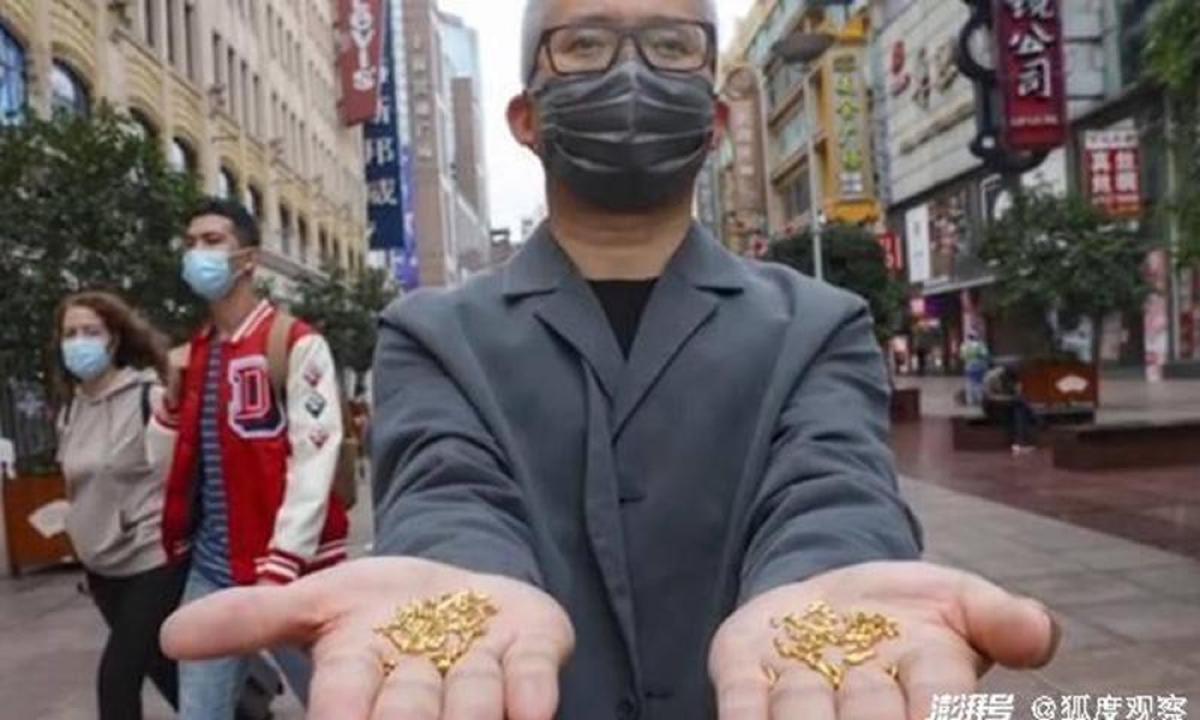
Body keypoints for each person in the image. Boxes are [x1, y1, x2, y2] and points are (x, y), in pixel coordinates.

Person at [162, 2, 1060, 718]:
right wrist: (462, 588)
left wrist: (828, 588)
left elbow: (835, 491)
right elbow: (446, 495)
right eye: (585, 45)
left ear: (714, 119)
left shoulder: (820, 323)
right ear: (525, 116)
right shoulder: (431, 333)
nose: (630, 74)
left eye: (671, 46)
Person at [154, 198, 348, 719]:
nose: (197, 253)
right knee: (199, 711)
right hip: (213, 568)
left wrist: (283, 561)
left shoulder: (296, 344)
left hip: (292, 571)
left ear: (248, 259)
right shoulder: (195, 353)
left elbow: (315, 455)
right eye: (190, 243)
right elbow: (169, 468)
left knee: (338, 701)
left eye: (212, 241)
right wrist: (170, 402)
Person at [51, 291, 186, 720]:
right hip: (103, 567)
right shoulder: (70, 411)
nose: (79, 342)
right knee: (166, 671)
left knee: (116, 678)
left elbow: (178, 470)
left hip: (151, 557)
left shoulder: (148, 397)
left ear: (114, 339)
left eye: (91, 331)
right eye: (70, 333)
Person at [983, 363, 1038, 455]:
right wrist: (1008, 399)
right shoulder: (990, 377)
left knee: (1019, 408)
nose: (1010, 382)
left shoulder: (1013, 377)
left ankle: (1019, 444)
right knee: (1020, 406)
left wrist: (1016, 391)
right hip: (992, 407)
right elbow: (988, 397)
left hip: (1009, 405)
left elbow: (1018, 393)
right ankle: (1035, 421)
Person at [959, 331, 989, 406]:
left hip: (968, 367)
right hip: (979, 367)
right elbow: (985, 355)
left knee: (969, 384)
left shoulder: (964, 345)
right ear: (976, 337)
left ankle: (970, 401)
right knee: (979, 384)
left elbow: (962, 357)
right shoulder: (980, 345)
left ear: (968, 337)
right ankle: (980, 399)